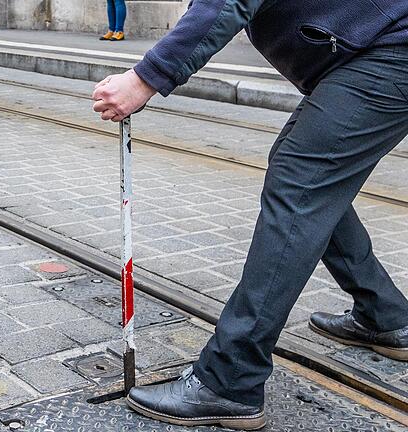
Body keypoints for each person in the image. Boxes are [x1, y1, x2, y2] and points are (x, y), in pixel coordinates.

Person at [93, 1, 408, 429]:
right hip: (377, 50)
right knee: (307, 179)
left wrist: (145, 78)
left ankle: (230, 379)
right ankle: (386, 315)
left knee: (301, 183)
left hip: (390, 51)